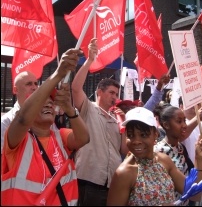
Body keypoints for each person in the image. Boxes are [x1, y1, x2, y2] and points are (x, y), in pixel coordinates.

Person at [1, 48, 90, 206]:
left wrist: (69, 109)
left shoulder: (60, 136)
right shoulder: (16, 140)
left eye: (51, 102)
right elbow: (22, 119)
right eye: (42, 103)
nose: (49, 104)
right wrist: (58, 74)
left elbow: (83, 138)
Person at [107, 107, 202, 206]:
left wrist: (199, 158)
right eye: (130, 135)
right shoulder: (124, 173)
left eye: (143, 135)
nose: (136, 141)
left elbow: (193, 193)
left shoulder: (163, 160)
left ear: (155, 134)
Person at [71, 38, 128, 206]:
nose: (115, 97)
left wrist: (123, 124)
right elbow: (75, 88)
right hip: (89, 182)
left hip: (112, 184)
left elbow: (124, 150)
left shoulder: (115, 118)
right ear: (99, 92)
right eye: (111, 93)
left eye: (117, 94)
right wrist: (89, 60)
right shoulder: (87, 108)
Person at [155, 105, 202, 206]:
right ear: (166, 125)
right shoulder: (158, 152)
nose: (184, 125)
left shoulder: (180, 147)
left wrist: (199, 158)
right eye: (179, 121)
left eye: (184, 120)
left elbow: (195, 189)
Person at [1, 71, 38, 154]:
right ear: (15, 90)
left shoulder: (45, 117)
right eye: (29, 84)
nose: (34, 87)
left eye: (36, 84)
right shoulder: (5, 123)